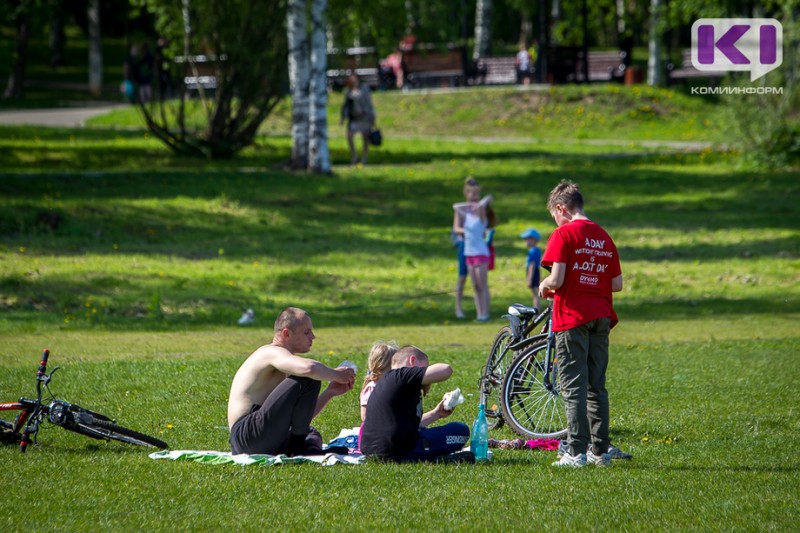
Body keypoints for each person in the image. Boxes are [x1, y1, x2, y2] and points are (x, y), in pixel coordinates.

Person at [538, 180, 623, 468]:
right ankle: (600, 451)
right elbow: (617, 283)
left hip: (572, 317)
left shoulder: (563, 234)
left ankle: (575, 452)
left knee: (573, 385)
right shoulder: (604, 236)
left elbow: (558, 279)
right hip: (601, 315)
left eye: (555, 215)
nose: (556, 220)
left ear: (561, 208)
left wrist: (544, 284)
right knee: (596, 386)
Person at [227, 307, 356, 455]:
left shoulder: (285, 364)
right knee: (309, 377)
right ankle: (299, 449)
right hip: (247, 435)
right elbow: (309, 368)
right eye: (306, 332)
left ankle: (301, 448)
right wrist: (337, 374)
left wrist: (329, 392)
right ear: (286, 333)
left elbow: (299, 420)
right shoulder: (269, 352)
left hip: (258, 438)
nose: (313, 337)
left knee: (312, 433)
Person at [360, 345, 471, 462]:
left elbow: (405, 426)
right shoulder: (401, 375)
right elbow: (446, 369)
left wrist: (436, 413)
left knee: (438, 433)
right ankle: (437, 458)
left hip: (372, 451)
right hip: (399, 451)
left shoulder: (388, 382)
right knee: (461, 430)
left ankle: (435, 455)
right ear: (412, 361)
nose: (424, 370)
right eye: (424, 367)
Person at [452, 177, 497, 322]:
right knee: (475, 286)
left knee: (482, 284)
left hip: (481, 253)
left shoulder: (481, 215)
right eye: (471, 193)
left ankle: (485, 313)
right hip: (468, 253)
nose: (474, 198)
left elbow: (487, 200)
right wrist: (469, 205)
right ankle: (479, 314)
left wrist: (479, 203)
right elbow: (455, 206)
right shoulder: (466, 215)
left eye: (476, 194)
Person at [339, 74, 376, 166]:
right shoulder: (348, 91)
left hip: (365, 117)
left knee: (365, 138)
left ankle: (364, 158)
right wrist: (343, 118)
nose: (353, 81)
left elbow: (369, 103)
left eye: (354, 79)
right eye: (351, 79)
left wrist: (373, 116)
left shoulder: (364, 89)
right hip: (354, 118)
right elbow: (345, 105)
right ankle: (354, 156)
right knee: (349, 136)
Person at [359, 341, 398, 422]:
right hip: (375, 432)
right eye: (395, 364)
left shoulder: (392, 385)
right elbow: (365, 417)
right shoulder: (372, 388)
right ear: (382, 365)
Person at [520, 228, 542, 309]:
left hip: (533, 273)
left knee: (535, 294)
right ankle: (536, 308)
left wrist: (529, 279)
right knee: (535, 293)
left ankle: (536, 309)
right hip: (536, 272)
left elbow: (532, 265)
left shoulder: (533, 251)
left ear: (533, 240)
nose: (525, 241)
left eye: (527, 239)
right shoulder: (537, 250)